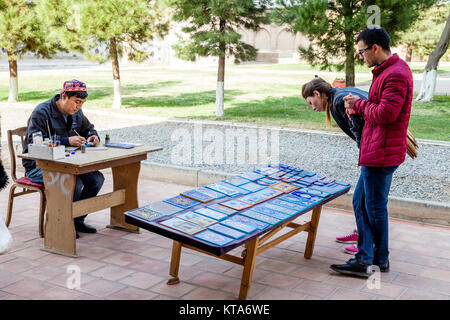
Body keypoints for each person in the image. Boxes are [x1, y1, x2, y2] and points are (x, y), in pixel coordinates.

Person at [330, 27, 413, 277]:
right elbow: (377, 108)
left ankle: (374, 261)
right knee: (362, 203)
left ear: (375, 48)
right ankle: (369, 258)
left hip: (382, 152)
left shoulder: (395, 74)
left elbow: (387, 114)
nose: (362, 57)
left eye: (362, 52)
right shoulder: (387, 71)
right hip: (378, 149)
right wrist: (361, 109)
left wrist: (359, 104)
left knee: (374, 207)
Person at [22, 79, 104, 239]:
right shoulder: (42, 113)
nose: (79, 107)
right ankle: (63, 224)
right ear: (64, 95)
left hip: (67, 163)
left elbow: (89, 129)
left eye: (82, 103)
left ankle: (77, 220)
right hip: (38, 166)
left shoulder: (77, 113)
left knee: (96, 179)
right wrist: (66, 141)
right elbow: (34, 143)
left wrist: (93, 136)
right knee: (74, 182)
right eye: (77, 102)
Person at [302, 77, 365, 255]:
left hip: (376, 154)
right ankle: (363, 234)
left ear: (317, 93)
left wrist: (364, 155)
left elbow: (359, 128)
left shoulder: (338, 102)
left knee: (362, 200)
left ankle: (367, 243)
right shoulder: (339, 96)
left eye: (311, 102)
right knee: (364, 199)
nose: (313, 107)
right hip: (378, 152)